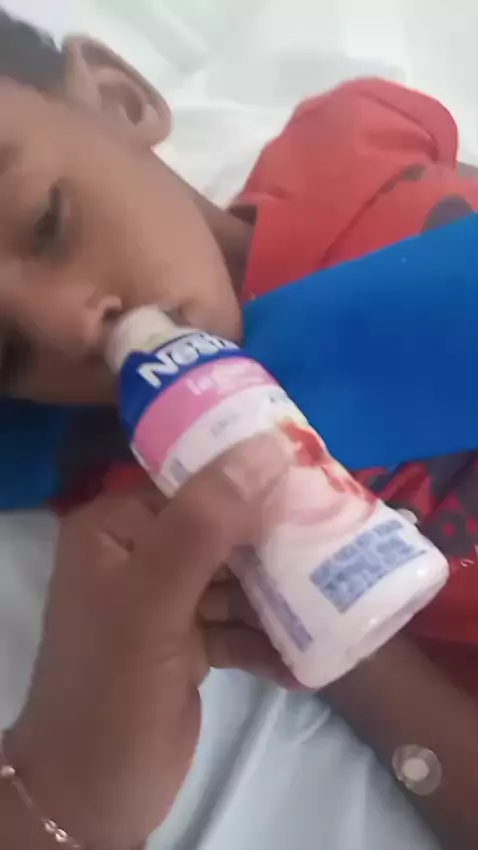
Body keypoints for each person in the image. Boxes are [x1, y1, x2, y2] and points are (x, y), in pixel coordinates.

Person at [0, 9, 476, 850]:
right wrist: (334, 636)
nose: (69, 324)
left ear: (119, 98)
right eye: (5, 351)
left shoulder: (346, 142)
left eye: (47, 222)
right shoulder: (140, 508)